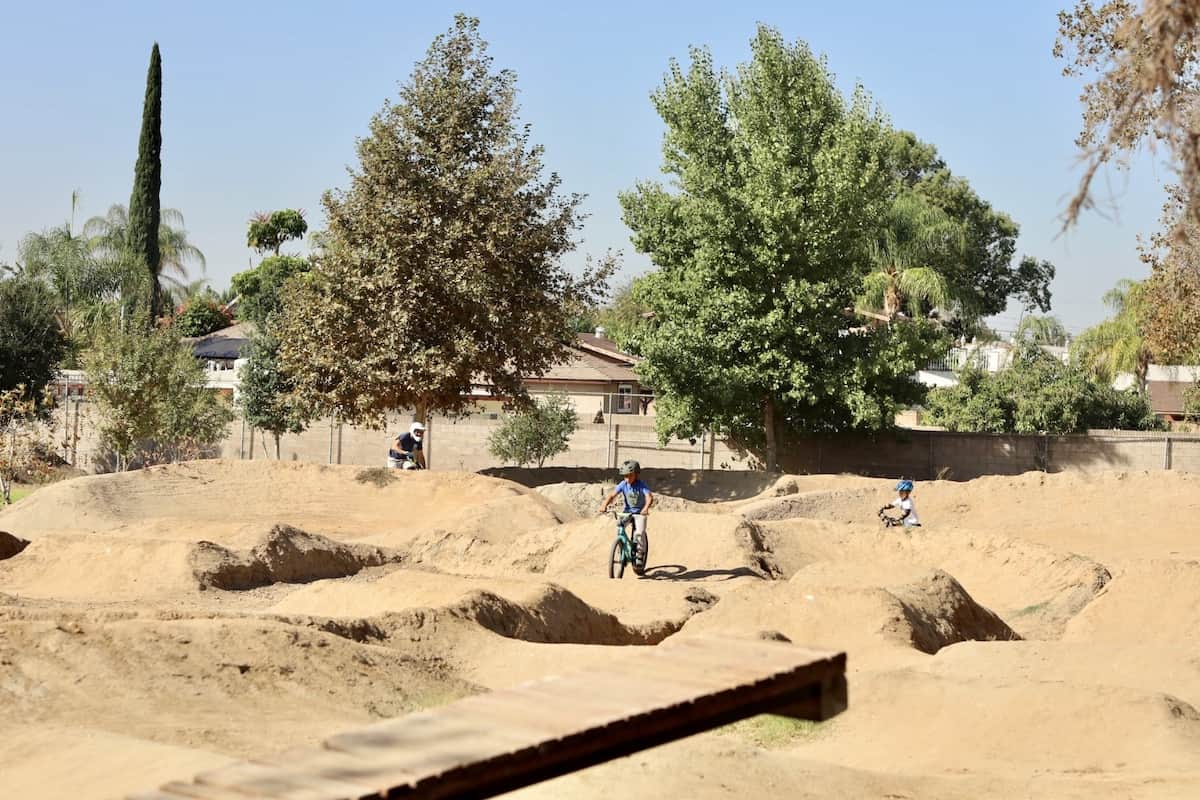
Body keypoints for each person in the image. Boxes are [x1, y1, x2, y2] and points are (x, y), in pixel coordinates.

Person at [599, 459, 654, 571]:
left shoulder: (641, 485)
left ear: (636, 474)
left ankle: (640, 553)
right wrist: (604, 505)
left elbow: (649, 497)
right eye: (625, 476)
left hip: (640, 513)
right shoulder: (623, 484)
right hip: (627, 511)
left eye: (630, 475)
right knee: (620, 525)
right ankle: (621, 545)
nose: (627, 478)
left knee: (640, 532)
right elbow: (612, 495)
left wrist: (645, 508)